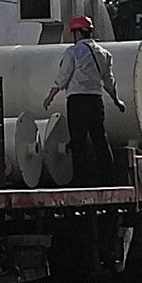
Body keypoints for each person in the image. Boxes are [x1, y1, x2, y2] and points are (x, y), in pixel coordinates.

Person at [42, 14, 124, 186]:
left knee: (78, 141)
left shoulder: (73, 52)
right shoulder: (104, 54)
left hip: (77, 100)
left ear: (77, 33)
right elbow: (109, 82)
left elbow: (63, 76)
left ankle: (81, 180)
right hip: (96, 101)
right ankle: (109, 178)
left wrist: (50, 96)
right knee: (99, 138)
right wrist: (117, 101)